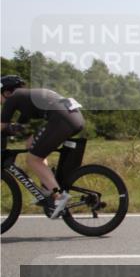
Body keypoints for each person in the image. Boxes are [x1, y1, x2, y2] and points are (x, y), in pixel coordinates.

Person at [0, 75, 85, 218]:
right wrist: (11, 130)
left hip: (62, 119)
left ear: (6, 92)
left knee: (32, 159)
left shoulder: (14, 98)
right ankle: (47, 189)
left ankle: (59, 197)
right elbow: (19, 128)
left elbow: (2, 126)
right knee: (31, 144)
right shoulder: (24, 98)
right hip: (74, 118)